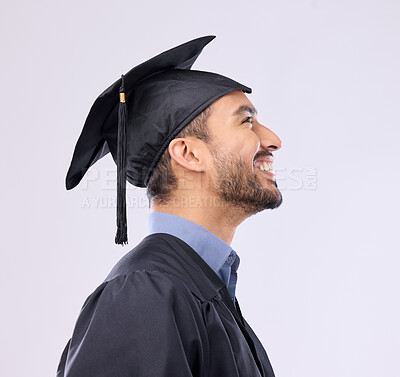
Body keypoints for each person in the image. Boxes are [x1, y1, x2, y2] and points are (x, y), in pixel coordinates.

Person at [57, 35, 282, 377]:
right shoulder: (144, 293)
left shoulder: (199, 285)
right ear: (189, 154)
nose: (273, 140)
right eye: (246, 121)